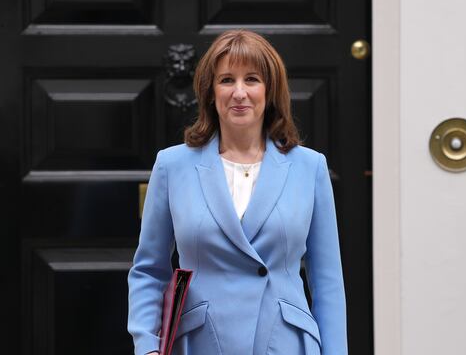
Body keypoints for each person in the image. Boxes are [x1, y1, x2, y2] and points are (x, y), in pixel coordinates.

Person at [127, 29, 347, 355]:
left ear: (269, 91)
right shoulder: (173, 166)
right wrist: (147, 345)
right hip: (201, 343)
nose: (239, 92)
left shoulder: (309, 167)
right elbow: (149, 269)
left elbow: (327, 280)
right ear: (210, 91)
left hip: (284, 343)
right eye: (227, 80)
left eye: (252, 79)